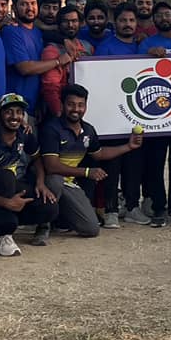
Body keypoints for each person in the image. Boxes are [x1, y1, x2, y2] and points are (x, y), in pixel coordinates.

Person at [41, 84, 143, 236]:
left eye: (80, 105)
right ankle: (43, 226)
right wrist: (87, 172)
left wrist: (129, 146)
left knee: (91, 229)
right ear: (62, 105)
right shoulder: (51, 128)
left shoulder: (88, 129)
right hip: (47, 184)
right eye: (71, 104)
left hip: (69, 186)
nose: (76, 109)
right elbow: (51, 166)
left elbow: (99, 154)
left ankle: (60, 220)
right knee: (55, 179)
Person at [0, 93, 59, 248]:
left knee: (49, 208)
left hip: (12, 187)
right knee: (5, 177)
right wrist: (7, 203)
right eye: (9, 111)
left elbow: (37, 157)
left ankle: (1, 226)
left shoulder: (23, 134)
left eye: (19, 112)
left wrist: (41, 183)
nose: (14, 117)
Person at [90, 5, 148, 227]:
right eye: (123, 20)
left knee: (134, 163)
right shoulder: (105, 48)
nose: (128, 24)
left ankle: (132, 206)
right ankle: (111, 210)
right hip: (112, 115)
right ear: (116, 22)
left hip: (137, 115)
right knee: (112, 165)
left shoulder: (141, 46)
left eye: (132, 20)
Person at [136, 2, 171, 227]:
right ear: (153, 19)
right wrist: (148, 54)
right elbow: (134, 70)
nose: (164, 18)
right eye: (160, 15)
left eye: (168, 14)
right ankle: (158, 206)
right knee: (155, 163)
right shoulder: (146, 42)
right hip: (154, 111)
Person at [4, 0, 65, 121]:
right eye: (24, 4)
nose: (30, 8)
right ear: (14, 8)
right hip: (16, 109)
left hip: (34, 108)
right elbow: (24, 68)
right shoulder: (11, 31)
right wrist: (59, 61)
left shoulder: (38, 32)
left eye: (32, 3)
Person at [40, 5, 89, 119]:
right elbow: (50, 88)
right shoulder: (51, 50)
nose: (70, 25)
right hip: (64, 115)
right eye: (65, 21)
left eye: (74, 21)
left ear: (80, 23)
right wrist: (59, 114)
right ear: (58, 24)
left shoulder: (88, 47)